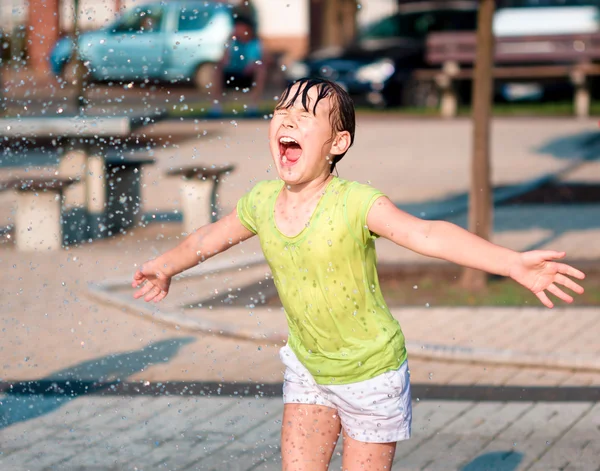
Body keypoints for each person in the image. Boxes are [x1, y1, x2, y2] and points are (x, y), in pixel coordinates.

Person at [132, 78, 586, 470]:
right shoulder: (262, 201)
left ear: (338, 143)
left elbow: (427, 235)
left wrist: (511, 263)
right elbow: (207, 239)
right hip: (308, 367)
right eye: (281, 111)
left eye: (305, 115)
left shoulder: (355, 203)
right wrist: (165, 266)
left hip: (371, 375)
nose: (287, 121)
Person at [210, 14, 267, 116]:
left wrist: (254, 65)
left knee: (261, 70)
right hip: (233, 74)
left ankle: (253, 108)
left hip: (249, 76)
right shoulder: (233, 42)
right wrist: (229, 42)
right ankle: (216, 107)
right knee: (217, 69)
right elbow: (224, 60)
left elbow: (264, 59)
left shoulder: (256, 43)